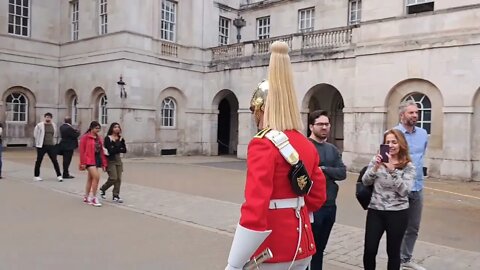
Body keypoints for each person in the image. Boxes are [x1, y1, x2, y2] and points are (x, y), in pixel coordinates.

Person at [225, 41, 327, 270]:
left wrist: (234, 262)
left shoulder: (262, 144)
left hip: (273, 250)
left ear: (261, 109)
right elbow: (317, 197)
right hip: (302, 245)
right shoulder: (306, 144)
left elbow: (255, 206)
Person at [362, 129, 416, 270]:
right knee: (369, 250)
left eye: (394, 142)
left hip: (398, 213)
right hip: (376, 210)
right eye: (388, 142)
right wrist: (375, 168)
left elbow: (405, 191)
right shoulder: (377, 160)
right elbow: (365, 181)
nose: (391, 145)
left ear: (401, 144)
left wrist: (392, 171)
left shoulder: (408, 167)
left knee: (393, 253)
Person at [308, 110, 347, 270]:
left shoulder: (332, 149)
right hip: (312, 207)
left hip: (330, 205)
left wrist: (323, 169)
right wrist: (329, 171)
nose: (324, 127)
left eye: (326, 124)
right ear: (311, 126)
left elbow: (342, 173)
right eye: (320, 124)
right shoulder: (306, 146)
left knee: (320, 250)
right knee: (308, 250)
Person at [394, 100, 429, 270]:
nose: (415, 115)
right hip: (398, 189)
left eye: (416, 112)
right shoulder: (391, 134)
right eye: (411, 113)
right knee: (397, 226)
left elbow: (421, 156)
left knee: (413, 226)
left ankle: (406, 258)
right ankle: (394, 259)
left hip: (417, 186)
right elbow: (384, 159)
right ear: (402, 115)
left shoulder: (423, 133)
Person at [79, 121, 107, 207]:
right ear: (91, 128)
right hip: (88, 160)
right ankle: (93, 197)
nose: (97, 130)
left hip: (97, 159)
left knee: (90, 178)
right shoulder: (85, 137)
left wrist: (104, 163)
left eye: (99, 128)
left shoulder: (99, 138)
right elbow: (82, 151)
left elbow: (102, 151)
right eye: (96, 128)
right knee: (96, 177)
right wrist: (82, 162)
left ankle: (86, 196)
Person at [99, 122, 127, 203]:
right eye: (115, 127)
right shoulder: (108, 138)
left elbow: (124, 150)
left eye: (118, 127)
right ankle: (103, 188)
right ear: (111, 128)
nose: (117, 128)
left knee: (118, 179)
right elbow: (110, 151)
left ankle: (116, 195)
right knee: (113, 178)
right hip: (110, 160)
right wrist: (118, 146)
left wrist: (115, 147)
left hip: (118, 160)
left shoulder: (121, 138)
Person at [33, 112, 63, 182]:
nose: (48, 118)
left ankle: (59, 175)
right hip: (42, 145)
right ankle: (36, 175)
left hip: (51, 145)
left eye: (49, 117)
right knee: (39, 160)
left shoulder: (53, 125)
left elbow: (55, 134)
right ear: (45, 117)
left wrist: (55, 143)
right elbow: (35, 134)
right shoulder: (40, 125)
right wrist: (38, 142)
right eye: (46, 117)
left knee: (54, 160)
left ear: (51, 118)